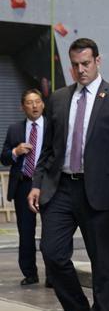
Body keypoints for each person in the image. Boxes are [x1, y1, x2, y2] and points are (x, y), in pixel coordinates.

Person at [27, 38, 109, 311]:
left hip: (99, 192)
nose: (80, 70)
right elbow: (47, 150)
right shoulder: (59, 99)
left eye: (85, 63)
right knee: (52, 253)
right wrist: (36, 182)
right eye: (75, 64)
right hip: (60, 188)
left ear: (97, 61)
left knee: (103, 266)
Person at [2, 89, 46, 286]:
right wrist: (15, 151)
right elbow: (3, 157)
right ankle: (30, 273)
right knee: (25, 231)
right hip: (23, 184)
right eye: (30, 102)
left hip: (47, 185)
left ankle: (54, 274)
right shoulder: (15, 129)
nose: (34, 105)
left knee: (52, 231)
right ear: (23, 107)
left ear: (43, 104)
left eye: (37, 101)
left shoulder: (53, 127)